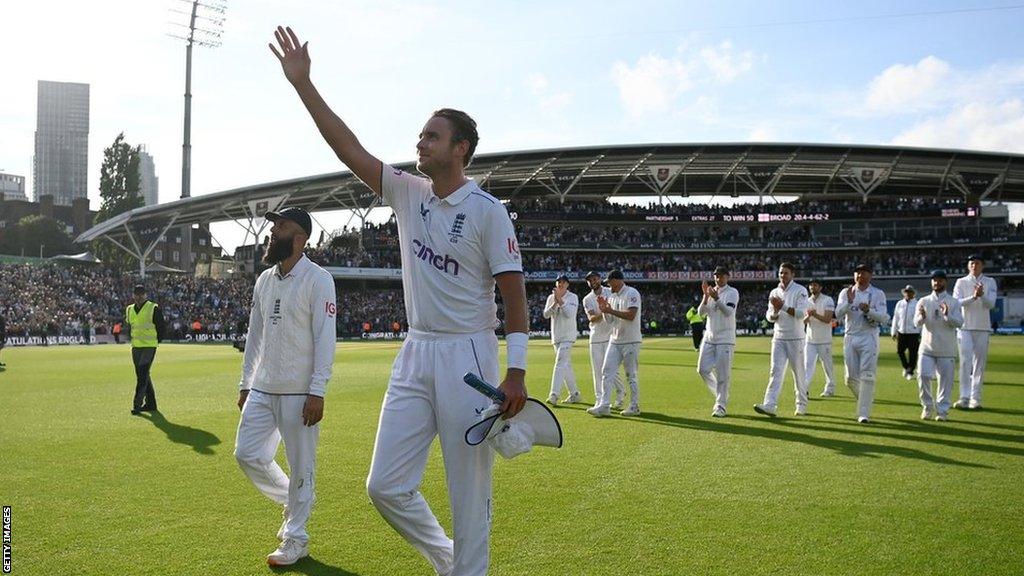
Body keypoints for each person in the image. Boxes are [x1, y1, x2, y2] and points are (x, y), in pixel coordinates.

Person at [270, 26, 529, 575]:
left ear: (460, 149)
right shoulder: (407, 192)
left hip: (470, 355)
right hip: (416, 351)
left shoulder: (487, 209)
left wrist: (517, 371)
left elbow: (513, 292)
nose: (421, 143)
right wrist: (303, 85)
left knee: (468, 491)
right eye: (421, 135)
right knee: (385, 484)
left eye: (432, 136)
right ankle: (447, 560)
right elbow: (348, 149)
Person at [234, 206, 338, 566]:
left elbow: (326, 339)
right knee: (246, 454)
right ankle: (294, 498)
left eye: (281, 227)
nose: (272, 232)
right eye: (273, 226)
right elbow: (255, 336)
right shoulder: (264, 279)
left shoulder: (319, 279)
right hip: (263, 388)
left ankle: (296, 539)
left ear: (300, 238)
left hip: (300, 392)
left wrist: (318, 390)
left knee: (302, 466)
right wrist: (246, 382)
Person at [834, 264, 890, 423]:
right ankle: (866, 399)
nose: (860, 276)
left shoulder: (877, 293)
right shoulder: (846, 292)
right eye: (857, 273)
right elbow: (837, 314)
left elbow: (883, 318)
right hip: (850, 336)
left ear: (870, 276)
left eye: (864, 273)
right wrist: (848, 302)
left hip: (869, 336)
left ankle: (863, 413)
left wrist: (868, 311)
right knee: (850, 378)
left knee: (867, 375)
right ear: (854, 275)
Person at [754, 263, 809, 417]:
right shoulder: (774, 292)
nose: (783, 275)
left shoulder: (800, 290)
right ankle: (770, 405)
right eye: (780, 273)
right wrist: (776, 312)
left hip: (795, 338)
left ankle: (801, 404)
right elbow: (769, 316)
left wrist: (782, 306)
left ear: (793, 274)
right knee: (775, 371)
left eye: (786, 273)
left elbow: (800, 314)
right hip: (778, 337)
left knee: (798, 373)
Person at [588, 269, 642, 417]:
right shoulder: (612, 297)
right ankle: (604, 405)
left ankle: (634, 406)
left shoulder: (632, 293)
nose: (608, 285)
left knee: (631, 374)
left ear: (617, 281)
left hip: (631, 340)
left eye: (610, 282)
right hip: (615, 339)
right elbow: (610, 321)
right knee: (606, 371)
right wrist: (605, 310)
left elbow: (631, 315)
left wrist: (610, 310)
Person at [915, 270, 963, 421]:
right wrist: (922, 317)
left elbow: (960, 323)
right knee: (923, 376)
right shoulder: (923, 301)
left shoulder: (954, 302)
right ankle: (927, 407)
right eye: (934, 280)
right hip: (927, 348)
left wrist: (947, 315)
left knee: (945, 382)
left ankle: (942, 411)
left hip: (947, 349)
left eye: (940, 280)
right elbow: (916, 323)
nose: (937, 283)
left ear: (945, 282)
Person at [952, 254, 997, 410]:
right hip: (964, 328)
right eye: (971, 263)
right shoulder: (961, 282)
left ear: (982, 265)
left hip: (983, 328)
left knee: (979, 365)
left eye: (977, 263)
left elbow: (991, 304)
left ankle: (975, 398)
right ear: (968, 266)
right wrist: (973, 297)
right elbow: (956, 302)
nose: (974, 266)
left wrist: (982, 295)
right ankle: (964, 397)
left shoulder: (990, 282)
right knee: (965, 363)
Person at [697, 267, 739, 418]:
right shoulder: (710, 291)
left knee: (723, 374)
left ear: (727, 277)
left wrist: (716, 298)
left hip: (725, 339)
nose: (718, 279)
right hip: (709, 337)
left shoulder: (732, 292)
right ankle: (721, 395)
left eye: (721, 276)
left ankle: (720, 405)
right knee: (702, 369)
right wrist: (705, 296)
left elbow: (728, 312)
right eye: (716, 276)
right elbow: (701, 313)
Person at [581, 271, 625, 409]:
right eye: (589, 280)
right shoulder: (587, 299)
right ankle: (599, 400)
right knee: (597, 371)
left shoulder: (610, 292)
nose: (592, 281)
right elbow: (592, 319)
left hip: (612, 336)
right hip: (595, 338)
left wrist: (607, 310)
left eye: (594, 278)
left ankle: (620, 391)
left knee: (611, 370)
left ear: (599, 279)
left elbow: (617, 309)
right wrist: (605, 310)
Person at [126, 284, 165, 415]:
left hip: (149, 346)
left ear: (146, 295)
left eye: (141, 294)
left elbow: (161, 327)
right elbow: (129, 326)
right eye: (137, 294)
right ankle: (151, 404)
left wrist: (156, 341)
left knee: (142, 374)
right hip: (136, 346)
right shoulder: (129, 309)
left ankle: (137, 404)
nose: (139, 297)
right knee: (143, 375)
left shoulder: (153, 308)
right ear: (133, 295)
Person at [544, 274, 581, 405]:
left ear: (567, 285)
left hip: (568, 336)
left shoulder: (573, 297)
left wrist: (560, 300)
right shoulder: (550, 297)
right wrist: (555, 301)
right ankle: (575, 394)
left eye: (563, 282)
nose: (561, 284)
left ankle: (554, 394)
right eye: (559, 282)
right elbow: (546, 315)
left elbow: (569, 314)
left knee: (559, 363)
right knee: (566, 366)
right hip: (556, 336)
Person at [804, 279, 836, 397]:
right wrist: (808, 316)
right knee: (807, 365)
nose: (812, 287)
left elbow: (828, 319)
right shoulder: (806, 301)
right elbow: (802, 321)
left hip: (824, 340)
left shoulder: (827, 300)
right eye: (811, 285)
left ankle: (830, 387)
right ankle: (804, 389)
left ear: (820, 287)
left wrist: (815, 314)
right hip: (810, 340)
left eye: (815, 285)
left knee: (827, 365)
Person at [890, 285, 921, 381]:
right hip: (902, 332)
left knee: (913, 353)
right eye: (906, 292)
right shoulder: (900, 304)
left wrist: (920, 332)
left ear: (913, 293)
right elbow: (896, 317)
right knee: (900, 351)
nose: (908, 293)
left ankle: (910, 371)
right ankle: (906, 367)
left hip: (913, 332)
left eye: (910, 292)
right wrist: (893, 331)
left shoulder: (917, 304)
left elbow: (920, 319)